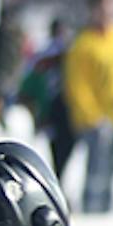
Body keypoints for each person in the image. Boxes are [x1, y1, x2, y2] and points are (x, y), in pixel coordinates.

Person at [64, 0, 113, 213]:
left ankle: (107, 208)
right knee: (96, 169)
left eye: (111, 8)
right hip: (93, 119)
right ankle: (93, 210)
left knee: (112, 167)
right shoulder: (83, 44)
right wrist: (91, 116)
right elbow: (77, 85)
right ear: (93, 11)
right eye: (103, 8)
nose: (107, 13)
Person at [18, 17, 75, 181]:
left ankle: (57, 180)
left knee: (55, 151)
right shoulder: (65, 53)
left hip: (49, 109)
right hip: (60, 108)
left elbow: (29, 83)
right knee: (61, 151)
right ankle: (57, 181)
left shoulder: (44, 55)